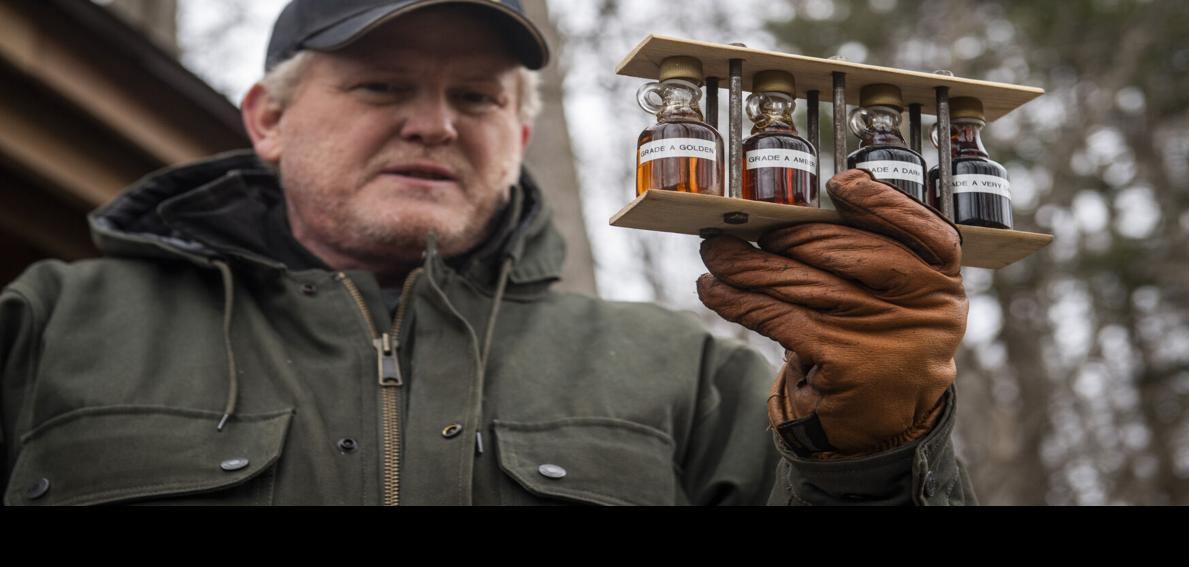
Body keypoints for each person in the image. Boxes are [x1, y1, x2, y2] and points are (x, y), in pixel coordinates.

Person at [0, 0, 977, 506]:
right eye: (382, 88)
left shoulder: (684, 373)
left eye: (476, 98)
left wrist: (876, 452)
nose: (434, 123)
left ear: (517, 133)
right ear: (268, 118)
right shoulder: (49, 327)